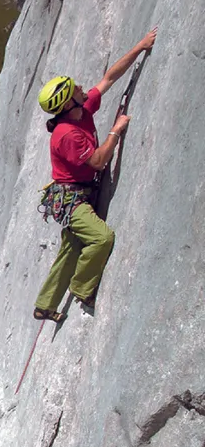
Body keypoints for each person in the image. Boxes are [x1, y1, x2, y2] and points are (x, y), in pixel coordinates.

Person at [33, 28, 157, 321]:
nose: (80, 87)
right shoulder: (67, 135)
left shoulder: (82, 109)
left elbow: (109, 78)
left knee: (72, 247)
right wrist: (116, 130)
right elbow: (99, 161)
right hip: (72, 199)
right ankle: (81, 286)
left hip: (75, 193)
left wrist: (139, 46)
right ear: (67, 103)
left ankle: (45, 305)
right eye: (75, 88)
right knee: (101, 239)